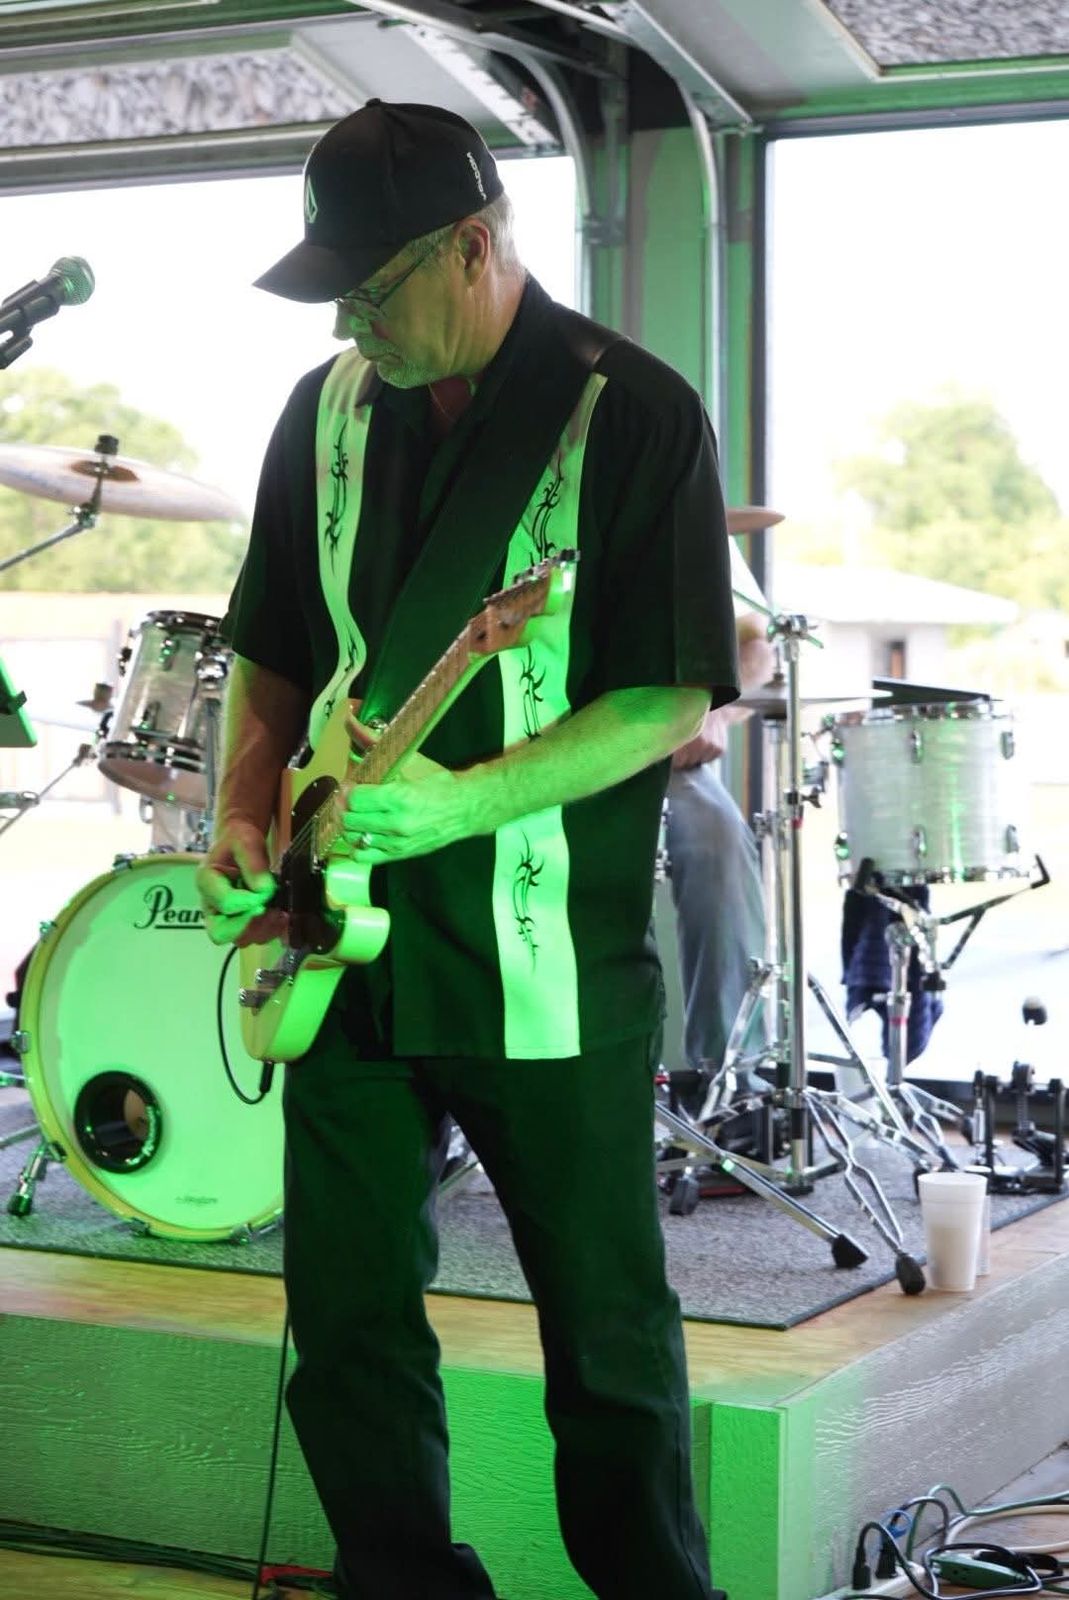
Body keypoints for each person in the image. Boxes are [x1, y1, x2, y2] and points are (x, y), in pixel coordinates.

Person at [196, 99, 738, 1600]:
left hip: (545, 957)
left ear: (475, 247)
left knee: (607, 1345)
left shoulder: (633, 413)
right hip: (339, 944)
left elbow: (666, 699)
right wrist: (239, 806)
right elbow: (271, 646)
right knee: (347, 1327)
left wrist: (461, 804)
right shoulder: (319, 413)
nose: (350, 325)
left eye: (372, 290)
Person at [664, 610, 776, 1114]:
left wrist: (711, 707)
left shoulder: (694, 561)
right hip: (540, 737)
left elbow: (758, 646)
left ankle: (729, 1081)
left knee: (719, 838)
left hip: (652, 741)